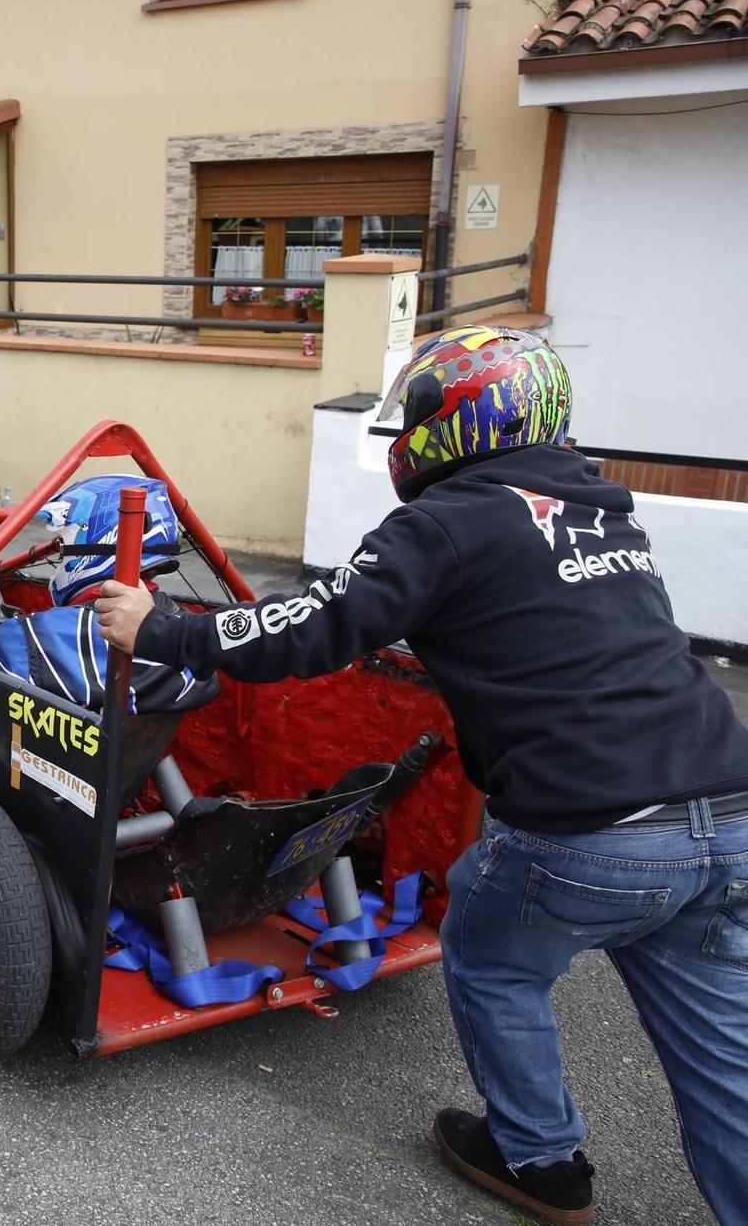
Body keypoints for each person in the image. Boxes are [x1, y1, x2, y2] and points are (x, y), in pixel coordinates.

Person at [94, 325, 748, 1225]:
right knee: (723, 1055)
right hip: (728, 810)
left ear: (460, 421)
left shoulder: (447, 521)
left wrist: (163, 627)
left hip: (594, 830)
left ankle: (540, 1158)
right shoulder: (603, 509)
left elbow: (315, 624)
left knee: (488, 950)